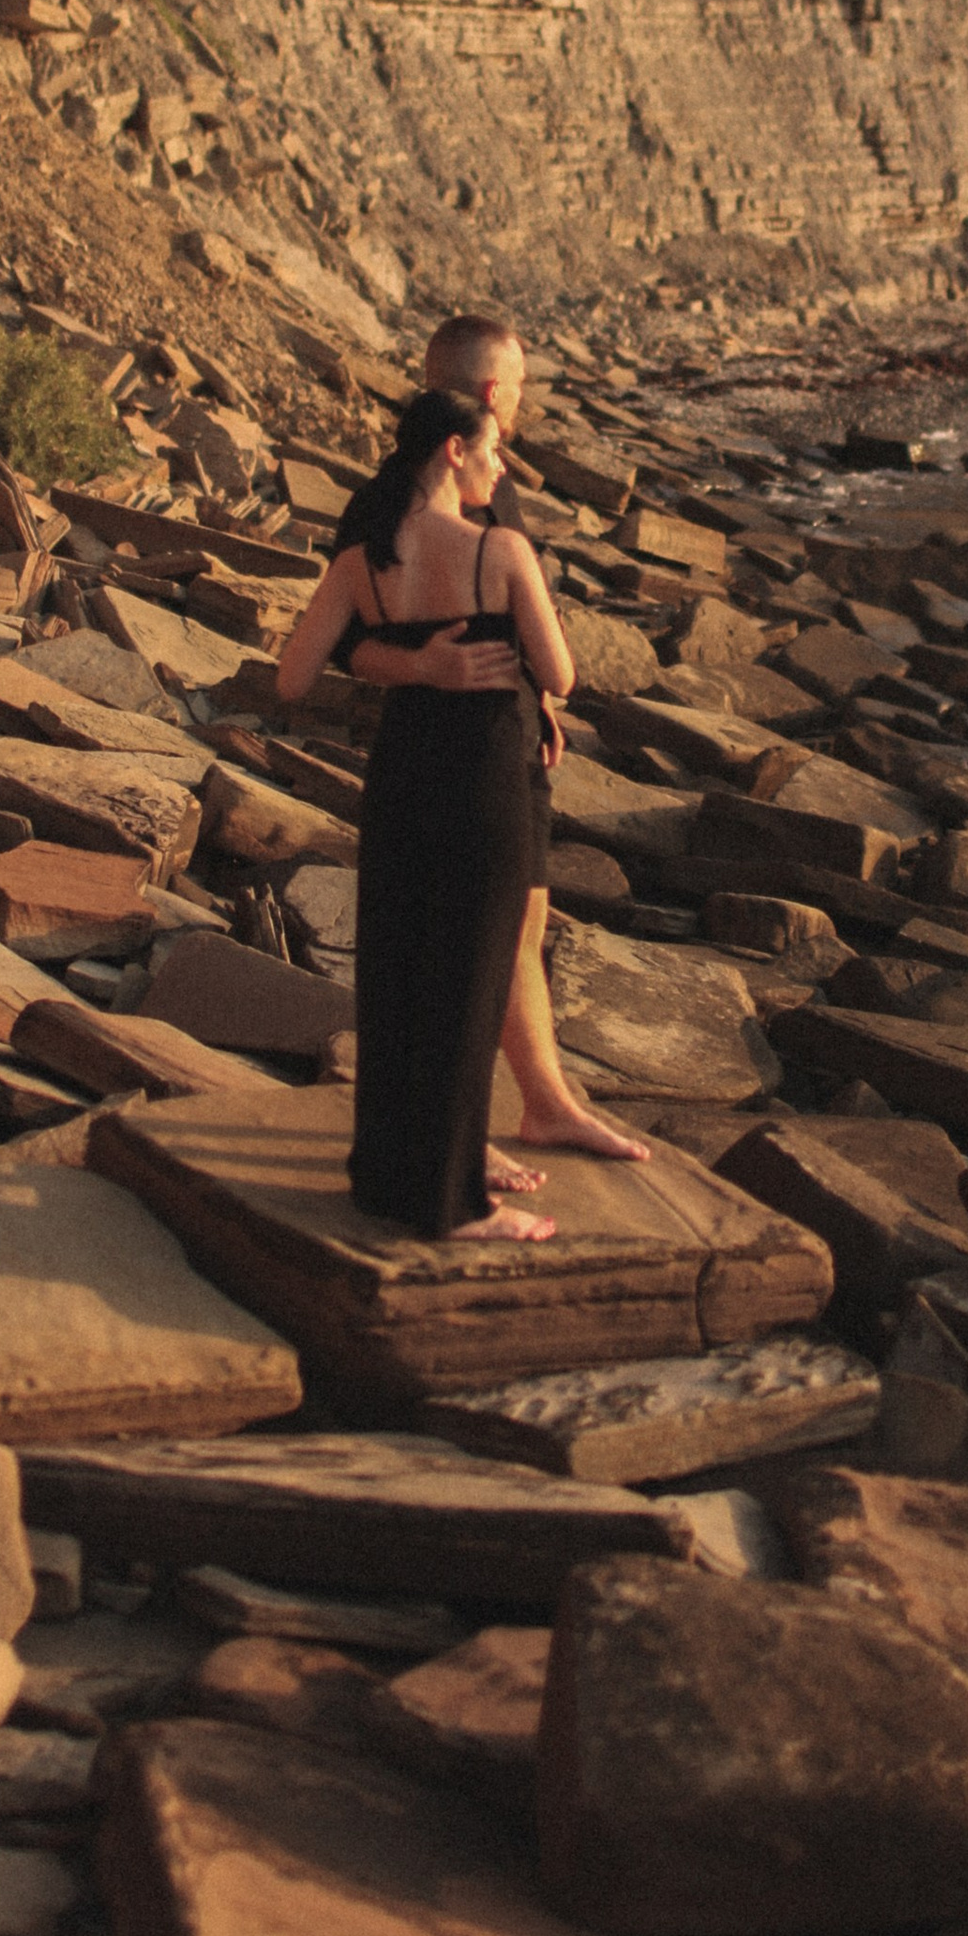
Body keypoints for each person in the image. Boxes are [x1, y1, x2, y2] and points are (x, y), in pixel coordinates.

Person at [341, 314, 649, 1171]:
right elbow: (344, 647)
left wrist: (539, 707)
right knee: (464, 943)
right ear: (486, 392)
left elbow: (505, 617)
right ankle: (455, 1138)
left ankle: (545, 1105)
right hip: (448, 757)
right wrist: (427, 668)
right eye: (516, 386)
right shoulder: (389, 501)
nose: (521, 401)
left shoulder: (488, 474)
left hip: (513, 740)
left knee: (525, 920)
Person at [276, 386, 576, 1243]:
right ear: (453, 449)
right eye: (493, 448)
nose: (501, 466)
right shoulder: (501, 549)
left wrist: (414, 665)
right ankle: (455, 1205)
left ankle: (383, 1179)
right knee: (469, 986)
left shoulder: (359, 561)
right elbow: (559, 675)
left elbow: (293, 679)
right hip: (484, 781)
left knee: (396, 976)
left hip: (402, 776)